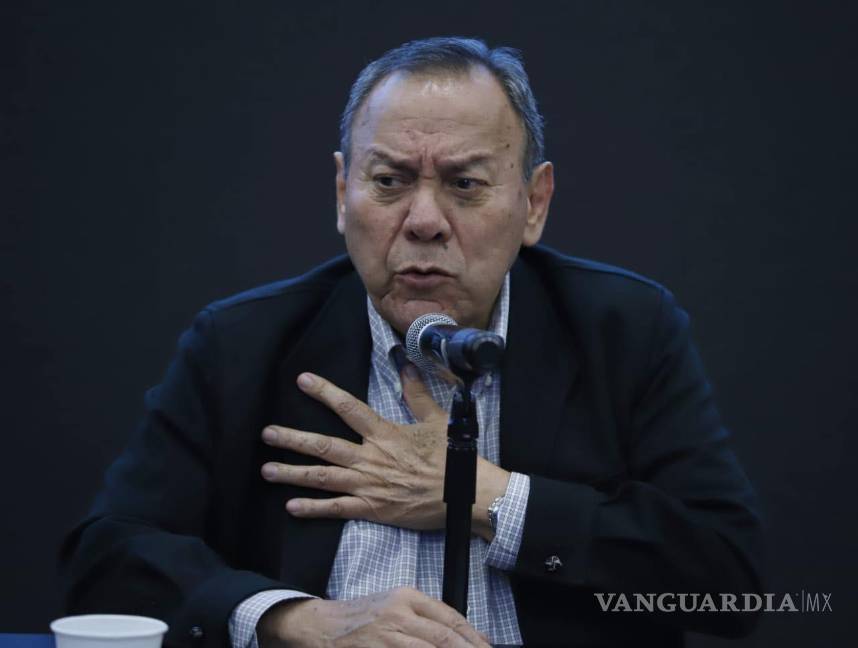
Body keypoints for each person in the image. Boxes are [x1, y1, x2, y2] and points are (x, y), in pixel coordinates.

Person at [60, 37, 763, 648]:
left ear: (534, 204)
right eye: (389, 181)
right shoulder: (243, 342)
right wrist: (296, 621)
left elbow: (729, 583)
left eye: (465, 184)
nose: (424, 220)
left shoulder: (624, 330)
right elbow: (109, 560)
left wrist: (489, 499)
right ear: (343, 192)